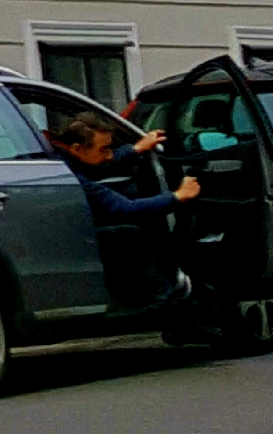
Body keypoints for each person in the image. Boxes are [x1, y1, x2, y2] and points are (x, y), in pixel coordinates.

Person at [52, 112, 199, 307]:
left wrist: (136, 149)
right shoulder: (71, 177)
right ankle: (164, 302)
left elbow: (97, 166)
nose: (110, 155)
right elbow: (125, 209)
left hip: (60, 234)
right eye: (103, 150)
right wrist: (178, 196)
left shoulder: (65, 160)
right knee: (128, 235)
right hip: (64, 241)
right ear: (77, 148)